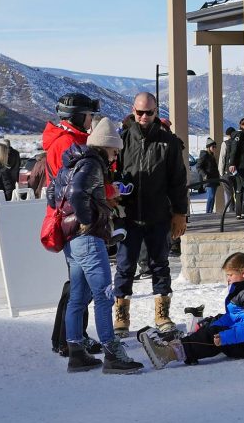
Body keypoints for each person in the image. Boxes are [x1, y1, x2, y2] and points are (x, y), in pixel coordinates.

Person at [50, 117, 143, 375]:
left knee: (78, 298)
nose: (116, 155)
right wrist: (86, 220)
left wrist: (72, 219)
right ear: (106, 146)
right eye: (115, 150)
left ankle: (76, 353)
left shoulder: (72, 161)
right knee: (103, 296)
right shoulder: (92, 164)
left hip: (72, 241)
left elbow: (52, 193)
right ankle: (113, 355)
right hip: (89, 239)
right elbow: (79, 192)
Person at [112, 92, 189, 336]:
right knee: (125, 266)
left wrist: (180, 213)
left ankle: (162, 313)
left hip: (158, 215)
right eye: (140, 112)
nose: (144, 117)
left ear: (157, 112)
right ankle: (121, 315)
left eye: (149, 112)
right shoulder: (122, 140)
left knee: (159, 265)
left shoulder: (169, 142)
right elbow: (111, 176)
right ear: (133, 111)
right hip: (129, 215)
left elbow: (178, 180)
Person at [138, 251, 244, 369]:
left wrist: (225, 337)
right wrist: (213, 324)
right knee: (212, 325)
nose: (228, 279)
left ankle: (168, 354)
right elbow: (233, 316)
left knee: (213, 336)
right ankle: (181, 346)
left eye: (230, 275)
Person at [43, 92, 101, 358]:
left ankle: (71, 336)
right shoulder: (65, 143)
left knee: (79, 281)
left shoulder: (73, 139)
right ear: (77, 116)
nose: (92, 121)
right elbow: (69, 186)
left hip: (71, 216)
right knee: (80, 282)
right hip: (73, 219)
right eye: (89, 115)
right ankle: (70, 338)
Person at [225, 117, 244, 219]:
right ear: (242, 124)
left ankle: (241, 212)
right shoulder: (239, 135)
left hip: (243, 165)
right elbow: (234, 150)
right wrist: (232, 163)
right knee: (242, 187)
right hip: (241, 166)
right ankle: (242, 211)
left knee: (241, 188)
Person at [216, 126, 237, 216]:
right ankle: (239, 210)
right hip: (237, 172)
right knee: (238, 191)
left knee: (228, 193)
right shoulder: (238, 142)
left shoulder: (225, 143)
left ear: (228, 135)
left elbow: (222, 158)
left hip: (226, 173)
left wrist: (221, 172)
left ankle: (231, 210)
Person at [197, 138, 221, 214]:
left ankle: (210, 211)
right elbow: (199, 166)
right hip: (209, 179)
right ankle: (208, 212)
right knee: (210, 196)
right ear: (208, 147)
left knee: (213, 197)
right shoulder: (204, 155)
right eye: (213, 147)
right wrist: (204, 175)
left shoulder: (212, 156)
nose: (214, 148)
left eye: (215, 147)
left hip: (214, 179)